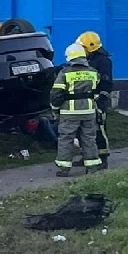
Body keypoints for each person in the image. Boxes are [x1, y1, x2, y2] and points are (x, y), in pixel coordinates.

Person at [49, 43, 102, 177]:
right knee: (89, 138)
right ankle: (92, 167)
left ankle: (64, 168)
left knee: (66, 139)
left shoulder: (65, 73)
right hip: (89, 111)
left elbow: (56, 94)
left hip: (70, 112)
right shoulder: (93, 72)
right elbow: (96, 92)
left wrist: (55, 109)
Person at [77, 31, 113, 170]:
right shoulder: (88, 60)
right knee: (84, 130)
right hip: (85, 100)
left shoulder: (103, 62)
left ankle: (102, 158)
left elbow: (106, 83)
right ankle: (88, 157)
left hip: (97, 101)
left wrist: (101, 99)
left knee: (98, 130)